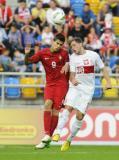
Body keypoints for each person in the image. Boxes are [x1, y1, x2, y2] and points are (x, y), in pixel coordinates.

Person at [52, 37, 112, 151]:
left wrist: (108, 81)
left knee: (79, 116)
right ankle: (57, 132)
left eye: (74, 45)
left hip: (87, 90)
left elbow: (103, 69)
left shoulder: (93, 55)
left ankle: (69, 140)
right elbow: (72, 74)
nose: (73, 48)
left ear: (80, 44)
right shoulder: (73, 58)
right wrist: (73, 79)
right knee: (68, 107)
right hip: (75, 87)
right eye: (71, 47)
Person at [25, 33, 69, 149]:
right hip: (50, 84)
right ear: (52, 41)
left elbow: (69, 67)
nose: (58, 46)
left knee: (55, 111)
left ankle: (47, 137)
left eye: (61, 44)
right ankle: (47, 135)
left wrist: (68, 68)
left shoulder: (64, 53)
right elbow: (28, 62)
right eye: (57, 43)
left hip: (61, 84)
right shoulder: (42, 53)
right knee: (47, 104)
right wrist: (27, 54)